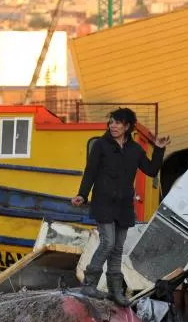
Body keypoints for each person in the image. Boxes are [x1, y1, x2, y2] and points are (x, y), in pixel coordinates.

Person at [72, 108, 170, 306]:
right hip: (103, 203)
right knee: (107, 243)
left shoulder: (135, 150)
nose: (113, 126)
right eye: (111, 122)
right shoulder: (100, 145)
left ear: (127, 126)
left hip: (124, 206)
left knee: (117, 248)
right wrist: (82, 194)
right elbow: (90, 171)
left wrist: (159, 149)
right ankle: (90, 283)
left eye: (118, 123)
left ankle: (115, 292)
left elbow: (151, 170)